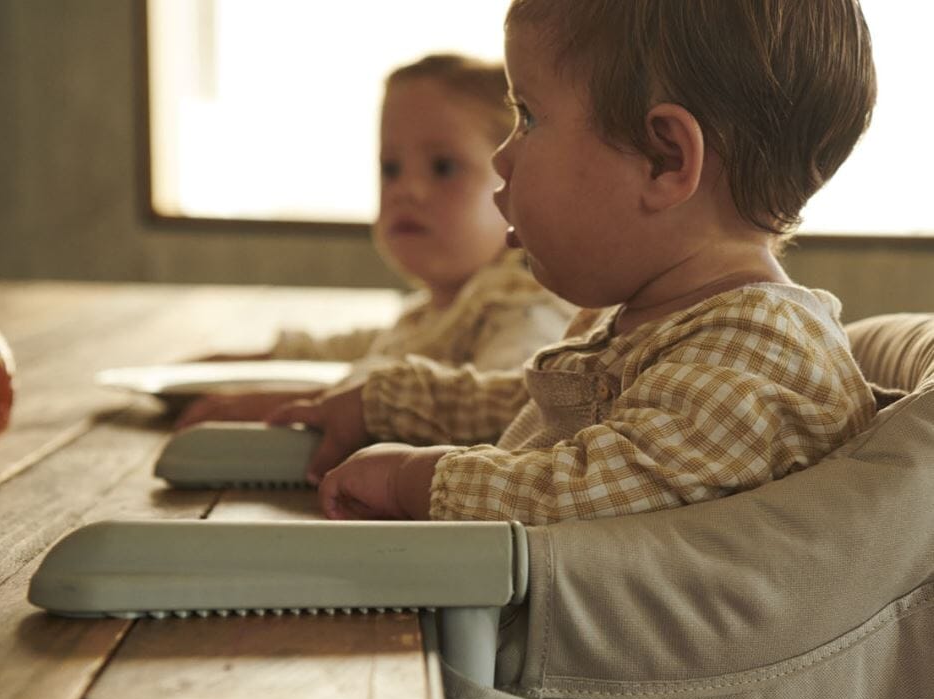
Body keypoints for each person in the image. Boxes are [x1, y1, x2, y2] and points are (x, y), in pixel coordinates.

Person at [270, 0, 879, 525]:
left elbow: (586, 494)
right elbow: (535, 411)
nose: (503, 159)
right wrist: (385, 402)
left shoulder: (756, 353)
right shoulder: (663, 323)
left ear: (664, 159)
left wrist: (418, 480)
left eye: (528, 117)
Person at [176, 53, 575, 428]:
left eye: (443, 167)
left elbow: (509, 403)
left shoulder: (520, 309)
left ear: (517, 179)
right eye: (390, 168)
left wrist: (287, 404)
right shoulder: (439, 312)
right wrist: (255, 361)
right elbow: (370, 348)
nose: (407, 189)